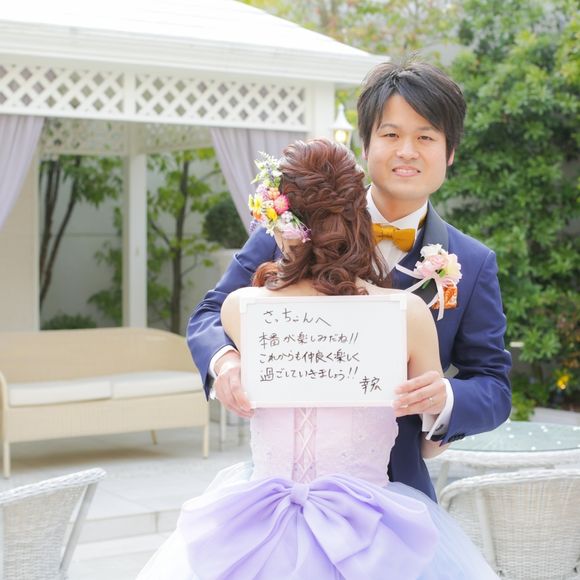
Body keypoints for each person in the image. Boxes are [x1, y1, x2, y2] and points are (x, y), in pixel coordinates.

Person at [138, 138, 497, 579]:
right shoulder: (408, 314)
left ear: (279, 225)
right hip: (371, 535)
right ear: (359, 216)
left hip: (258, 530)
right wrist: (436, 405)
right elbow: (428, 445)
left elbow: (212, 311)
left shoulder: (241, 308)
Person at [187, 60, 512, 501]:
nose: (407, 151)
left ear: (450, 151)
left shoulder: (472, 262)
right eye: (391, 134)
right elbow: (211, 312)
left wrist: (445, 399)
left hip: (399, 496)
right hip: (288, 490)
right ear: (365, 143)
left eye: (426, 137)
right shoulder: (295, 224)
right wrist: (226, 364)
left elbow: (493, 384)